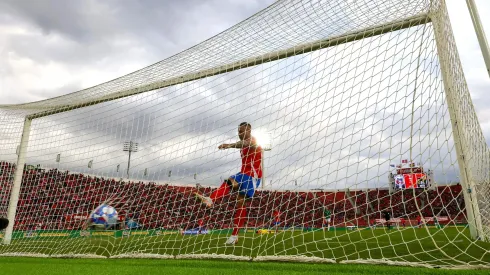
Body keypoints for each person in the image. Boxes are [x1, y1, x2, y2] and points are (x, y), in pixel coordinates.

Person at [194, 122, 262, 245]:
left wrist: (229, 145)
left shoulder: (253, 140)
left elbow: (246, 143)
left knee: (240, 201)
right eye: (239, 131)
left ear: (249, 131)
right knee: (232, 188)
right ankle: (211, 200)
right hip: (243, 174)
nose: (240, 133)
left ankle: (234, 234)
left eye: (242, 131)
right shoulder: (243, 146)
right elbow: (243, 145)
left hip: (253, 176)